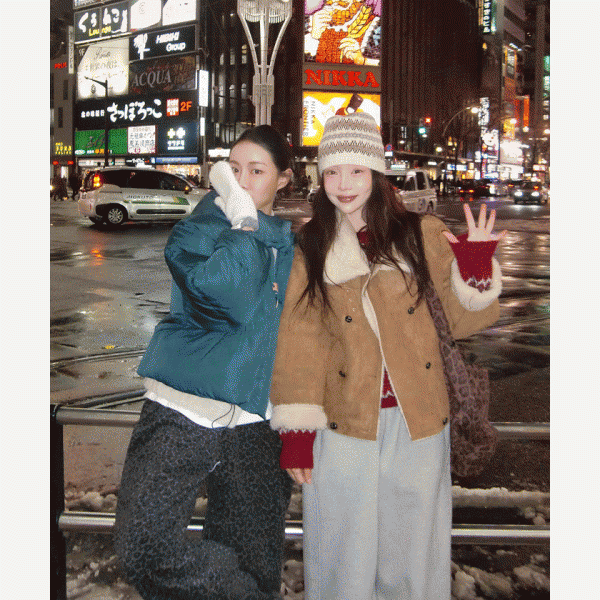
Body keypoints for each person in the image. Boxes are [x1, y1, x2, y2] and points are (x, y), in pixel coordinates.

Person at [269, 112, 505, 600]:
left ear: (377, 174)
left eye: (356, 170)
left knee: (412, 554)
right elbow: (299, 338)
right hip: (343, 420)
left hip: (418, 419)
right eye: (332, 172)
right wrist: (296, 431)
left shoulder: (421, 233)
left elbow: (463, 322)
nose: (343, 184)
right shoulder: (311, 245)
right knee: (341, 555)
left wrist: (476, 269)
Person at [114, 125, 295, 600]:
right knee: (142, 548)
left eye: (256, 171)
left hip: (257, 423)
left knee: (256, 560)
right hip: (182, 410)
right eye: (233, 169)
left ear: (283, 180)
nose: (241, 181)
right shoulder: (198, 228)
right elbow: (227, 296)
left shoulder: (290, 243)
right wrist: (244, 223)